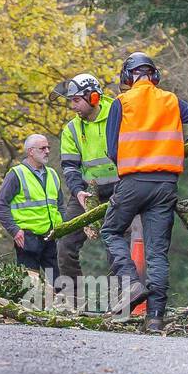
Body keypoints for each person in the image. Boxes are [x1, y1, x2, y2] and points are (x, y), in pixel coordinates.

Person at [102, 52, 188, 332]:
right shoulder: (171, 101)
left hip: (133, 181)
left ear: (128, 77)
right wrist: (180, 147)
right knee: (157, 253)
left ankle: (131, 284)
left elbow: (112, 150)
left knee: (111, 231)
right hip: (165, 185)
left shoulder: (121, 102)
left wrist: (132, 163)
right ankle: (155, 319)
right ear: (154, 75)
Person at [52, 73, 118, 292]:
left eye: (76, 100)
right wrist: (78, 192)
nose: (73, 106)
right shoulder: (71, 129)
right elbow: (70, 167)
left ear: (93, 98)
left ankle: (123, 299)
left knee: (117, 245)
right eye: (71, 101)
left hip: (120, 190)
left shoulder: (118, 116)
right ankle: (74, 299)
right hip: (86, 192)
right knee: (65, 242)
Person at [0, 134, 63, 283]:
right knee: (30, 287)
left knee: (59, 285)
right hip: (27, 239)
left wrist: (62, 228)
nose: (47, 151)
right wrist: (14, 230)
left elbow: (60, 205)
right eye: (42, 148)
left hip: (51, 238)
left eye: (48, 148)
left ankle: (63, 306)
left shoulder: (52, 174)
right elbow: (1, 204)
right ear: (31, 151)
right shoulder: (16, 174)